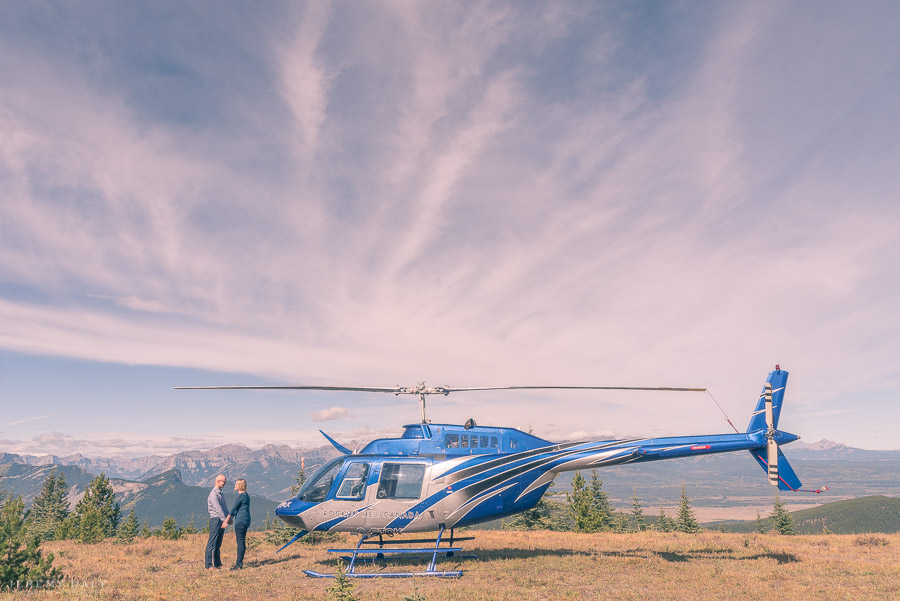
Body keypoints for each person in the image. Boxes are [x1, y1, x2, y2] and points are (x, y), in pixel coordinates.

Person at [205, 474, 230, 570]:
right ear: (218, 481)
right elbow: (218, 509)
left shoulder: (220, 493)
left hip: (221, 519)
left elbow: (224, 506)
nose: (225, 483)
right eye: (223, 481)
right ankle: (208, 565)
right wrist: (225, 521)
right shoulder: (213, 494)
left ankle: (218, 563)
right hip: (215, 520)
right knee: (211, 543)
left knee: (218, 543)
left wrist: (228, 517)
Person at [229, 479, 251, 569]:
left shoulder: (241, 496)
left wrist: (226, 521)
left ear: (240, 486)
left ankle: (239, 564)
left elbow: (233, 508)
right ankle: (239, 562)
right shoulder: (246, 495)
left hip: (241, 521)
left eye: (236, 484)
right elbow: (238, 508)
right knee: (241, 541)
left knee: (240, 541)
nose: (235, 485)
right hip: (245, 520)